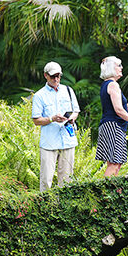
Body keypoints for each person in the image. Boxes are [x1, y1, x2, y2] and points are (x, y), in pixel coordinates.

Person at [31, 61, 80, 192]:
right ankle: (45, 208)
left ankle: (64, 209)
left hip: (67, 139)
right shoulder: (39, 95)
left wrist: (71, 118)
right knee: (46, 180)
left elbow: (76, 111)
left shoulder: (68, 90)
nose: (56, 79)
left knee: (66, 180)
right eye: (53, 76)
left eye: (58, 76)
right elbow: (36, 120)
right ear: (45, 75)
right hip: (49, 142)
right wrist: (52, 119)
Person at [97, 56, 128, 177]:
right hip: (113, 126)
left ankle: (111, 192)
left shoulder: (106, 84)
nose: (121, 68)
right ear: (111, 68)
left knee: (116, 163)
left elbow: (113, 107)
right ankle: (105, 193)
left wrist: (126, 106)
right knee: (114, 164)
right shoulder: (113, 85)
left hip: (110, 125)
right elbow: (118, 110)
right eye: (118, 65)